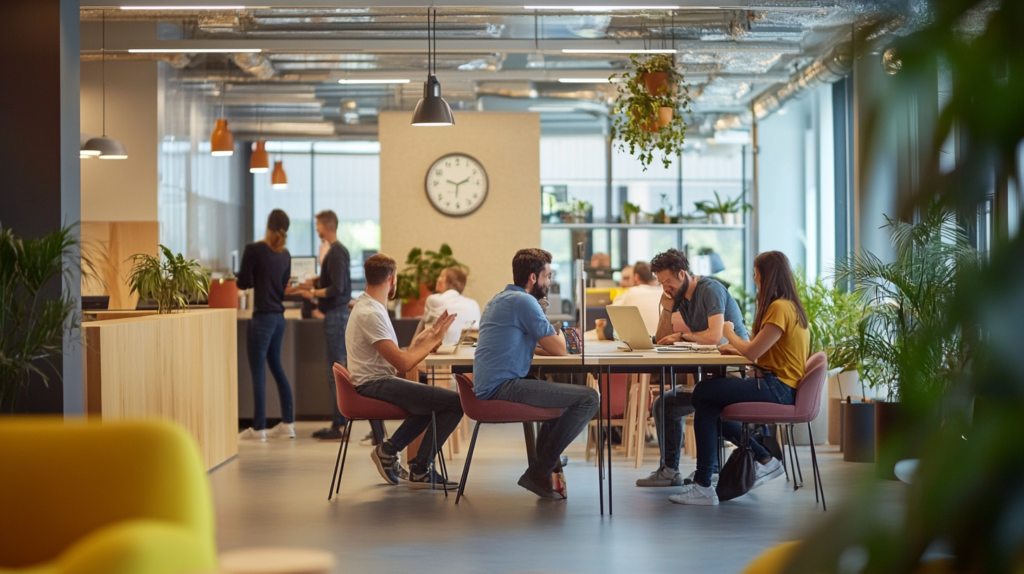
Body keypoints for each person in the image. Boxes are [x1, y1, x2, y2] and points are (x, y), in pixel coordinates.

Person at [670, 251, 808, 505]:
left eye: (756, 274)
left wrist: (729, 334)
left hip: (778, 388)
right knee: (708, 402)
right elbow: (762, 350)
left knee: (704, 393)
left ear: (767, 276)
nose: (754, 278)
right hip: (776, 384)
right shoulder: (788, 306)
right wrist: (739, 348)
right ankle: (755, 462)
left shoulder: (779, 308)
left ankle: (708, 483)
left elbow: (753, 350)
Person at [474, 248, 600, 499]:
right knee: (589, 398)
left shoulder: (501, 298)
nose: (550, 282)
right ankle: (540, 469)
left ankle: (545, 463)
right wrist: (545, 318)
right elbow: (560, 350)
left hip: (493, 383)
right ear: (533, 278)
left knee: (562, 403)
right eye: (548, 276)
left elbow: (533, 346)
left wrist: (547, 336)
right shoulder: (525, 302)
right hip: (503, 386)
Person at [636, 249, 750, 487]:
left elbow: (714, 336)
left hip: (732, 373)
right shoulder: (679, 297)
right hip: (712, 375)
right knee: (665, 404)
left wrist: (682, 336)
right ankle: (670, 471)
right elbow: (661, 338)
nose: (665, 287)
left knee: (702, 404)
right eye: (661, 283)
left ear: (682, 273)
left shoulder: (710, 289)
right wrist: (667, 307)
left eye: (668, 281)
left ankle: (754, 451)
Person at [348, 254, 464, 489]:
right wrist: (432, 341)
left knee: (430, 402)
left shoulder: (371, 307)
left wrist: (423, 341)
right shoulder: (371, 313)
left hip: (377, 380)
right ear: (392, 280)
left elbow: (395, 358)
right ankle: (420, 469)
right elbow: (402, 365)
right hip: (373, 384)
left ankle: (389, 451)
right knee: (456, 403)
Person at [237, 210, 306, 441]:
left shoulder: (254, 250)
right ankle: (288, 424)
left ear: (267, 225)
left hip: (263, 318)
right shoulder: (285, 255)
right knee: (276, 367)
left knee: (258, 373)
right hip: (279, 319)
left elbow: (243, 281)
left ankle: (258, 429)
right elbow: (283, 283)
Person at [302, 210, 353, 441]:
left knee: (336, 372)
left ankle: (340, 425)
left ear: (325, 225)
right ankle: (339, 422)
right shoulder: (336, 252)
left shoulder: (336, 253)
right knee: (336, 371)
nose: (316, 229)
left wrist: (313, 291)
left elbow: (337, 289)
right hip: (336, 315)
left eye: (317, 225)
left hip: (336, 316)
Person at [414, 267, 481, 345]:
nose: (437, 279)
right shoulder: (473, 304)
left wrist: (411, 349)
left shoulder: (433, 300)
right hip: (469, 353)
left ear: (447, 282)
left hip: (441, 351)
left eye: (441, 276)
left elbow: (422, 326)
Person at [611, 261, 663, 336]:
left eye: (627, 278)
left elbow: (612, 311)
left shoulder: (631, 293)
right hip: (665, 341)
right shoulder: (664, 292)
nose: (622, 282)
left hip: (642, 342)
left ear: (636, 277)